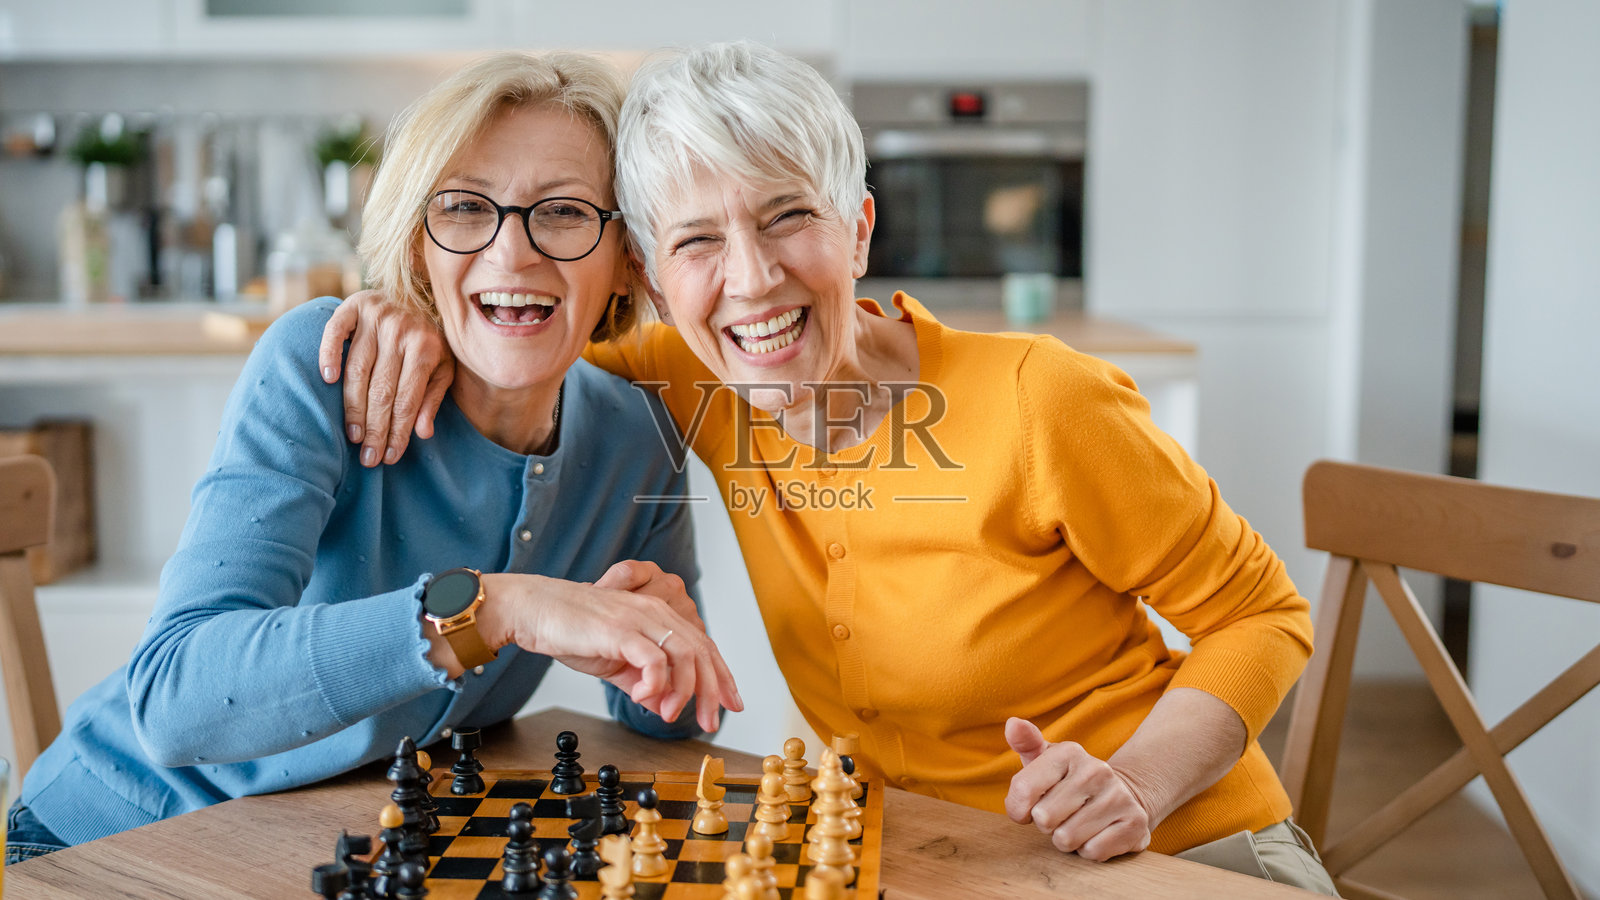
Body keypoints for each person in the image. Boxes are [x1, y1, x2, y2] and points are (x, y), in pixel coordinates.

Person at [320, 42, 1335, 893]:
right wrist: (402, 306)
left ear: (856, 231)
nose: (752, 280)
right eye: (699, 241)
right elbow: (513, 322)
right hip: (938, 865)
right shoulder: (684, 370)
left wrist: (1140, 784)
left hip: (1188, 852)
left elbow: (1262, 615)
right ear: (651, 282)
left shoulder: (1040, 401)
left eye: (787, 218)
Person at [5, 51, 742, 865]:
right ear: (418, 241)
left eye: (564, 212)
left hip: (330, 855)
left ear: (627, 259)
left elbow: (670, 728)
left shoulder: (639, 440)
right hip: (106, 845)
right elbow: (175, 699)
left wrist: (661, 655)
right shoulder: (329, 364)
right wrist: (489, 609)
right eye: (464, 207)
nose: (511, 253)